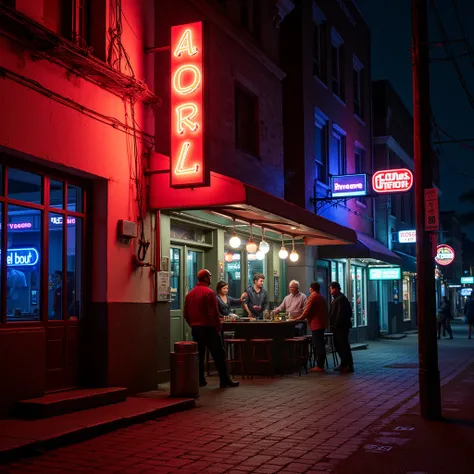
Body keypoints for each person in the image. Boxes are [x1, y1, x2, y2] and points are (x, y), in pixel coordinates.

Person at [184, 269, 239, 389]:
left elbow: (185, 314)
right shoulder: (209, 293)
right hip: (209, 328)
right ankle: (224, 380)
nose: (210, 278)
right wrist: (217, 327)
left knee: (199, 355)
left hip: (196, 329)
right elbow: (213, 313)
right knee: (219, 354)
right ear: (205, 278)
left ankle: (200, 380)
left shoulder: (190, 294)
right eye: (209, 276)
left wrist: (193, 324)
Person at [294, 282, 328, 373]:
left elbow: (306, 311)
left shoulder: (313, 297)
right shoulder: (321, 297)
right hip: (322, 324)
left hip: (316, 324)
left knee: (318, 345)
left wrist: (297, 319)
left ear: (311, 289)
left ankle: (320, 366)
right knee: (320, 344)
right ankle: (320, 364)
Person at [328, 281, 354, 373]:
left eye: (331, 289)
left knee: (343, 345)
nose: (330, 291)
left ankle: (348, 365)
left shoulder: (340, 299)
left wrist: (336, 324)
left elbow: (340, 314)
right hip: (338, 326)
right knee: (339, 345)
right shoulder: (337, 298)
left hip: (340, 327)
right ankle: (344, 364)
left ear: (336, 289)